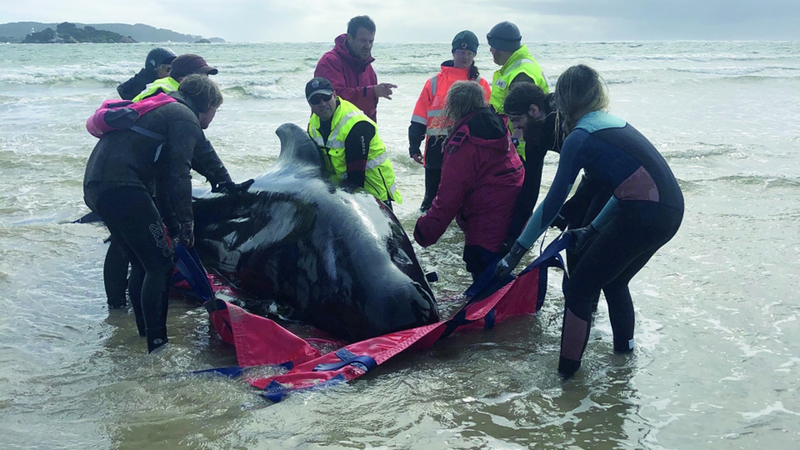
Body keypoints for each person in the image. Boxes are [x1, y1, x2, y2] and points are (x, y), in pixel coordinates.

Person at [494, 65, 684, 377]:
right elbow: (628, 188)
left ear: (564, 100)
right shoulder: (610, 123)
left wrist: (515, 252)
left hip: (644, 213)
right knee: (614, 281)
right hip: (670, 211)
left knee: (580, 288)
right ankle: (624, 359)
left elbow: (553, 202)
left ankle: (566, 378)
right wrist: (592, 229)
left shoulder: (579, 137)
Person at [84, 74, 226, 353]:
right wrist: (187, 224)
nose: (213, 116)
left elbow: (163, 180)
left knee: (142, 263)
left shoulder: (164, 108)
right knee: (159, 265)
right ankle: (158, 348)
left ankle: (143, 337)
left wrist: (173, 224)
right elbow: (179, 175)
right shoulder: (183, 116)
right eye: (216, 110)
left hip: (97, 187)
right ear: (209, 104)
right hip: (123, 187)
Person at [414, 81, 524, 279]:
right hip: (512, 217)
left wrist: (424, 232)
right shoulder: (497, 126)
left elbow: (449, 196)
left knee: (483, 277)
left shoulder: (465, 141)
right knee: (501, 277)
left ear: (453, 107)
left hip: (486, 224)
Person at [409, 30, 492, 212]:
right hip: (435, 147)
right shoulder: (433, 82)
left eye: (470, 53)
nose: (465, 57)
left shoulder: (481, 84)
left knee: (464, 201)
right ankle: (424, 228)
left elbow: (488, 122)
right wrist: (414, 145)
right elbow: (419, 116)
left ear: (475, 55)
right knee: (431, 200)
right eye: (461, 52)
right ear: (453, 52)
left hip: (467, 148)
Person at [306, 77, 402, 208]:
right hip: (342, 191)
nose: (322, 104)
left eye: (326, 97)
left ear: (334, 95)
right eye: (315, 100)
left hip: (374, 194)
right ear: (309, 104)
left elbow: (356, 178)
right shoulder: (313, 124)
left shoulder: (356, 125)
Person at [501, 82, 558, 244]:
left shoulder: (560, 121)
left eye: (517, 119)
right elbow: (530, 185)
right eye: (512, 121)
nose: (516, 127)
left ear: (533, 110)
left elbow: (564, 180)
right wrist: (511, 239)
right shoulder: (534, 131)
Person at [314, 15, 397, 122]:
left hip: (360, 129)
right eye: (363, 41)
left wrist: (372, 130)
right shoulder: (329, 62)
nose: (368, 46)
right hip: (330, 130)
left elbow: (371, 112)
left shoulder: (368, 68)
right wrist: (370, 92)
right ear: (349, 38)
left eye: (371, 41)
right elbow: (333, 100)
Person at [486, 21, 549, 160]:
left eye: (493, 46)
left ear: (501, 49)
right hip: (519, 145)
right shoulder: (517, 66)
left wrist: (513, 143)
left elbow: (524, 115)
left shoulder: (521, 75)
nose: (491, 50)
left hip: (521, 148)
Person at [132, 53, 219, 102]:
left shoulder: (178, 90)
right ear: (182, 78)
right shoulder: (163, 93)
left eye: (207, 76)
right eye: (201, 77)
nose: (206, 81)